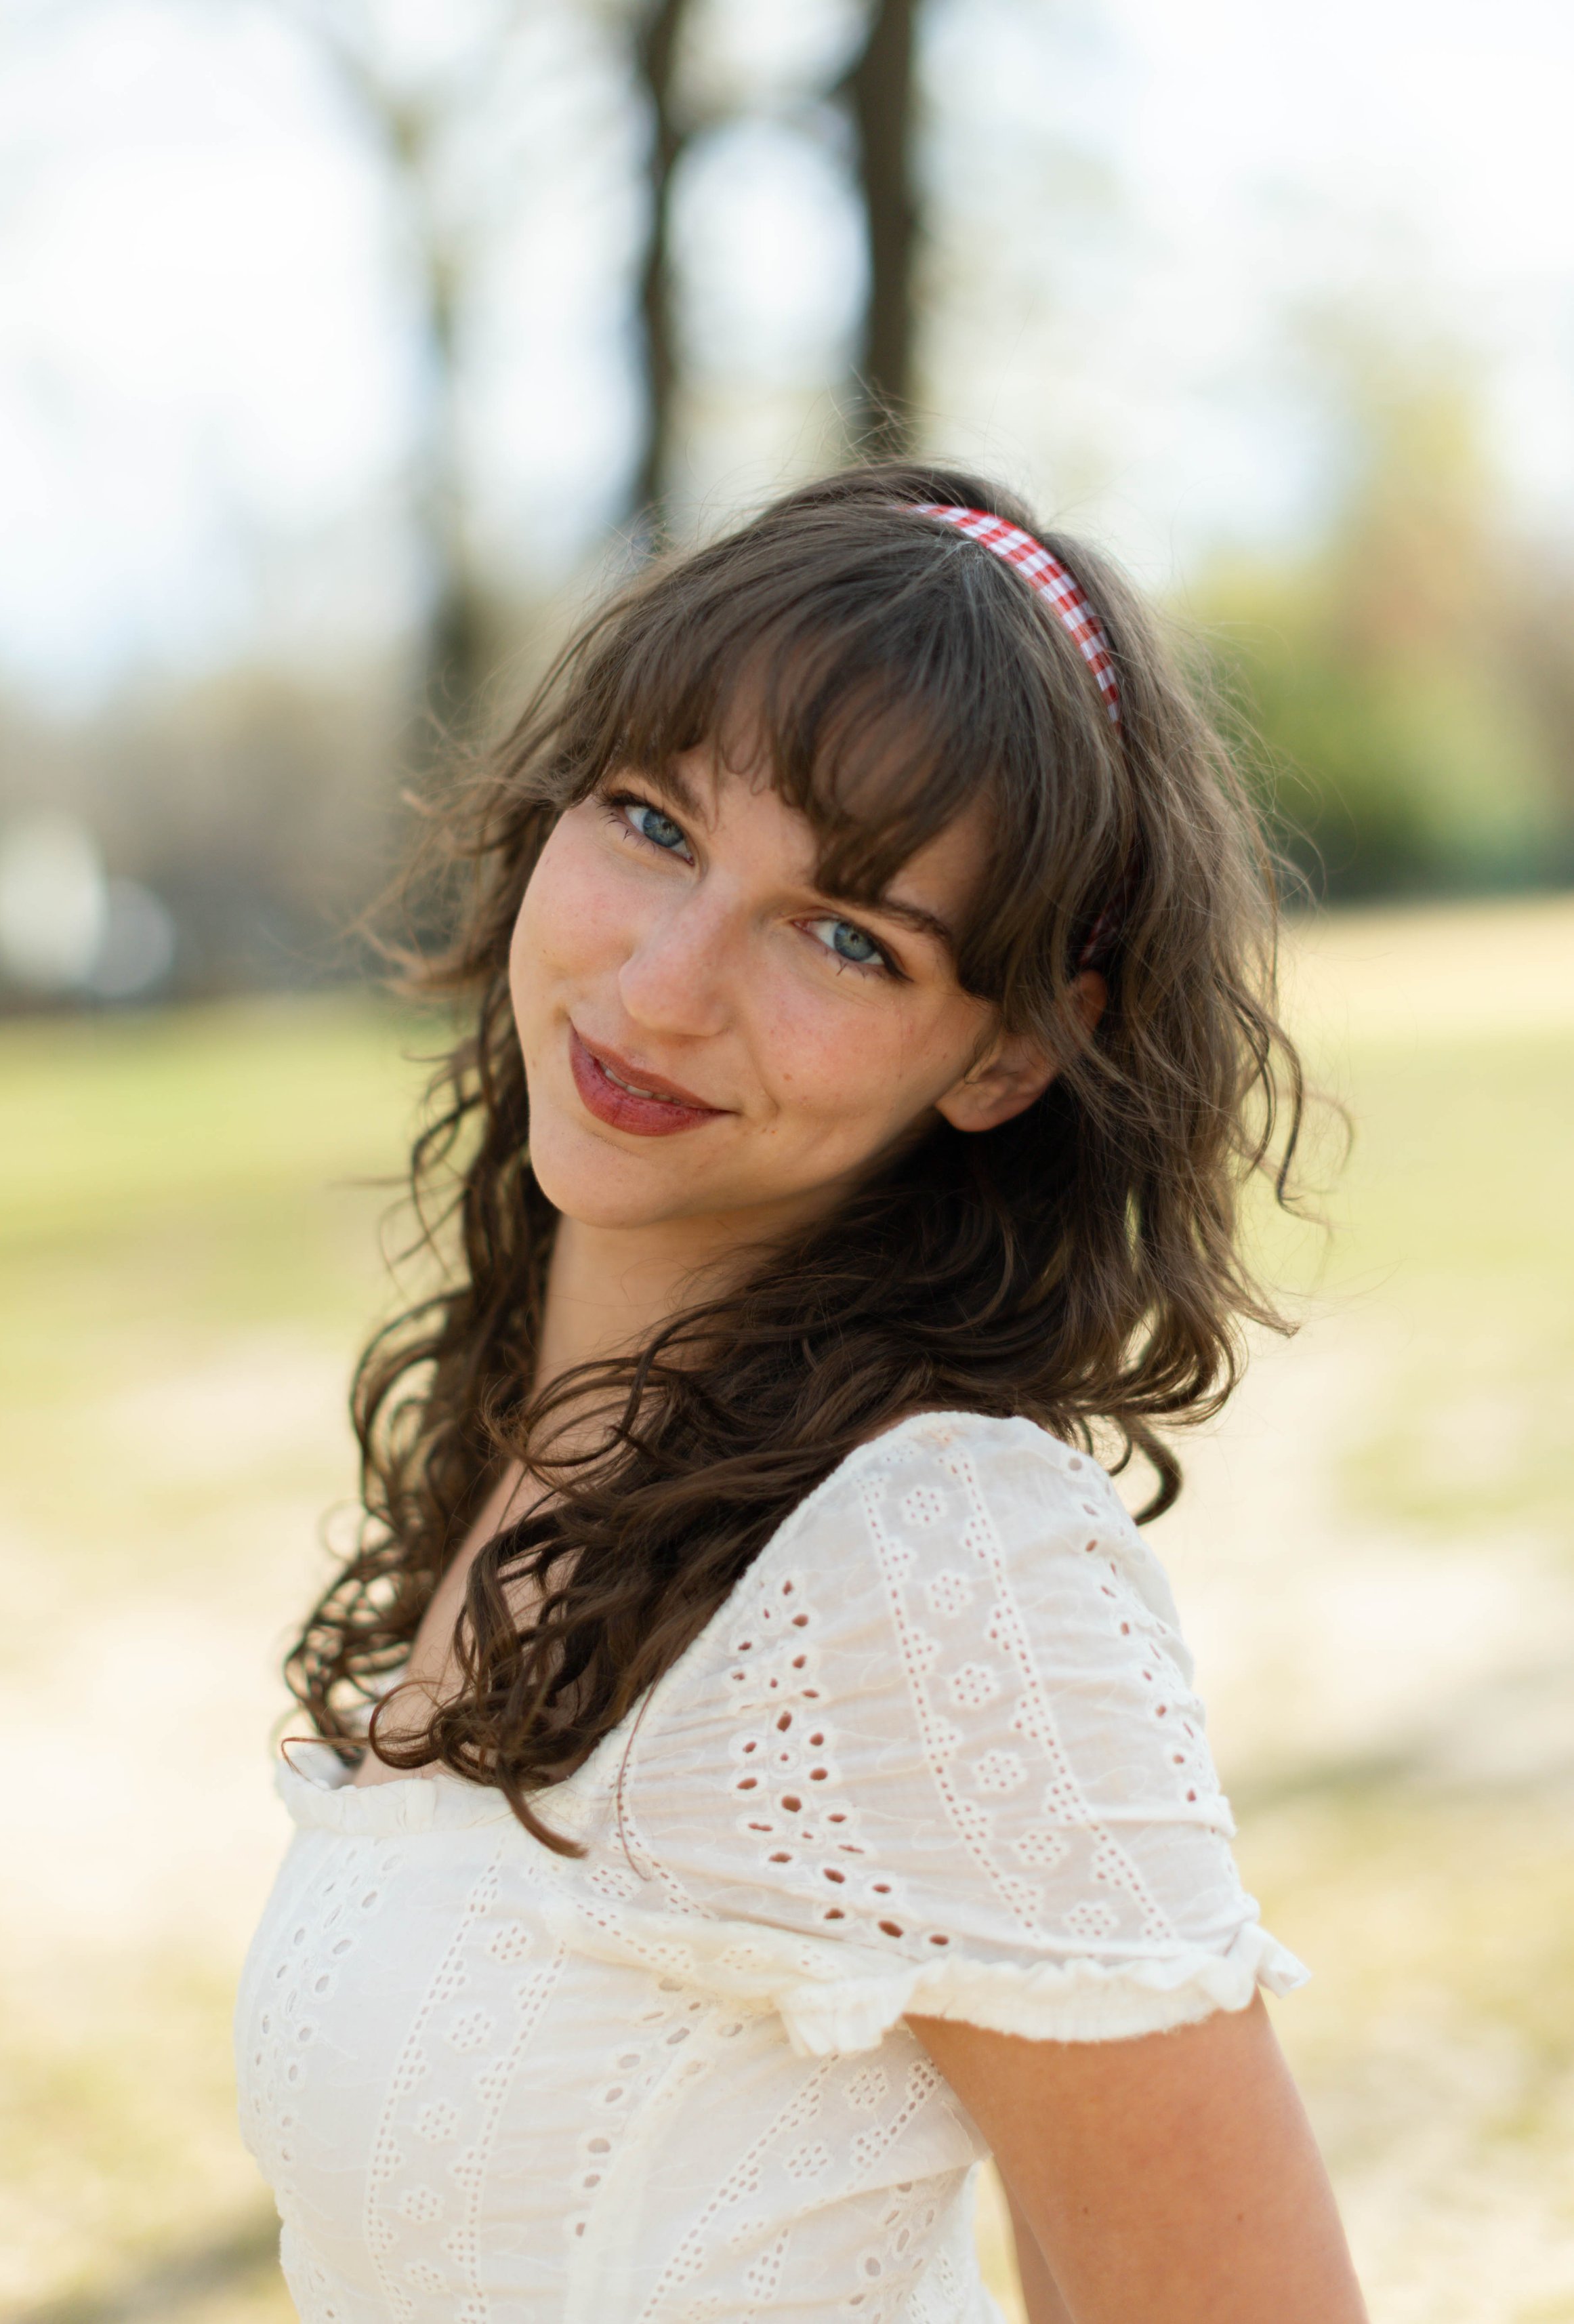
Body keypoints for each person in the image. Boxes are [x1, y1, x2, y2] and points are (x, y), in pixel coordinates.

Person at [236, 463, 1367, 2323]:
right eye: (652, 823)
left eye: (847, 936)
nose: (663, 985)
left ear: (1005, 1056)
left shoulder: (931, 1564)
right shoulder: (564, 1446)